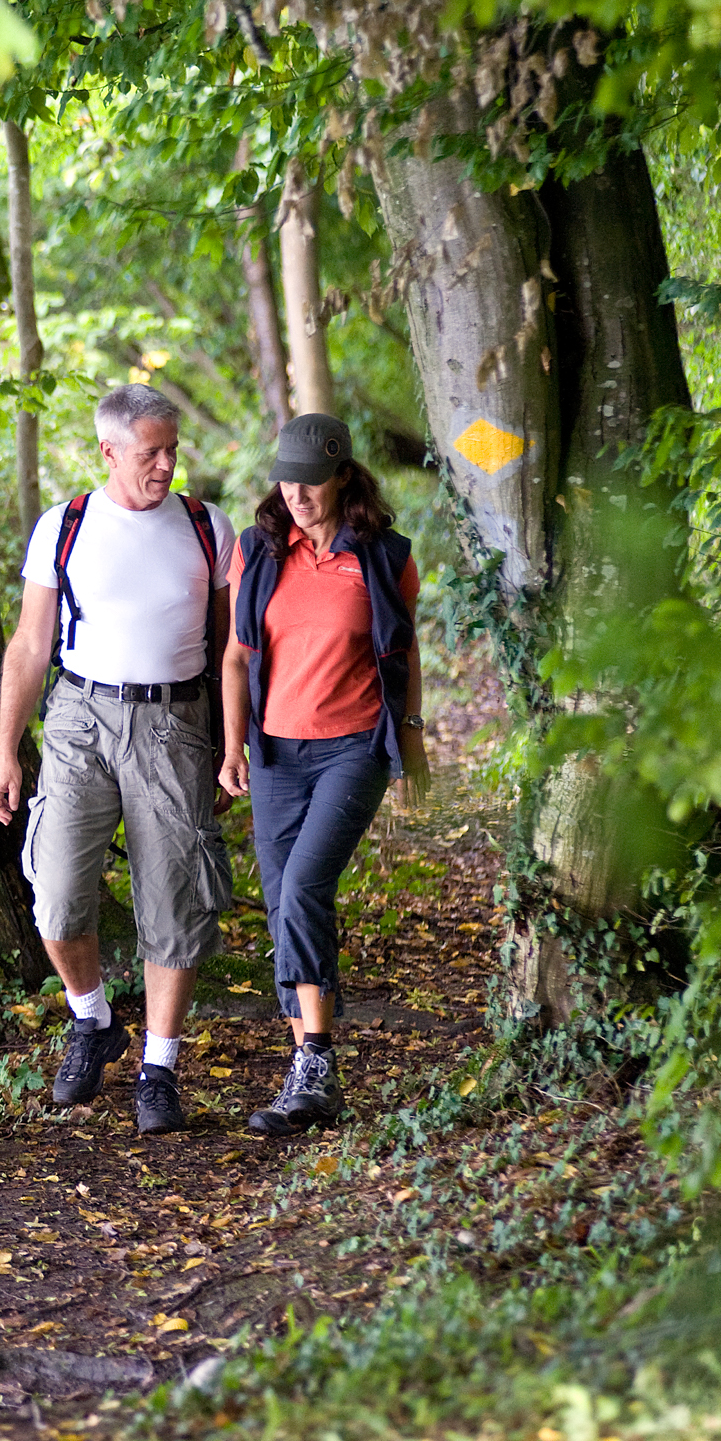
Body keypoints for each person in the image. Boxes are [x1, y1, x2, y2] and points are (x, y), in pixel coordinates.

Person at [0, 382, 237, 1136]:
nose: (166, 465)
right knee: (57, 894)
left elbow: (232, 648)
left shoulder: (206, 526)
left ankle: (159, 1067)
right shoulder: (63, 526)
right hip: (78, 718)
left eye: (171, 450)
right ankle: (92, 1021)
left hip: (176, 722)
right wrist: (7, 751)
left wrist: (233, 744)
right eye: (150, 452)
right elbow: (31, 646)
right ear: (109, 450)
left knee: (173, 898)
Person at [221, 413, 430, 1136]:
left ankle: (316, 1055)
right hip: (276, 752)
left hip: (352, 749)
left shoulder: (381, 556)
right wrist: (230, 748)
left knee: (305, 886)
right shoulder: (258, 551)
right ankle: (308, 1081)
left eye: (311, 481)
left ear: (343, 477)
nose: (298, 494)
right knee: (283, 905)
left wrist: (414, 743)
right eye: (287, 479)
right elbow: (237, 657)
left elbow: (403, 657)